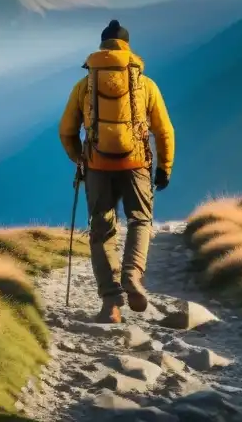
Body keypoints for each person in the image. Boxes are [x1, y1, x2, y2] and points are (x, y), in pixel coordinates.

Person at [59, 19, 175, 324]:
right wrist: (164, 167)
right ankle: (132, 275)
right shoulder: (145, 85)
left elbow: (66, 130)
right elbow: (164, 131)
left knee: (101, 229)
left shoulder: (84, 86)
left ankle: (110, 305)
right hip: (136, 164)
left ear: (102, 47)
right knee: (140, 220)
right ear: (127, 46)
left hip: (97, 165)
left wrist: (79, 159)